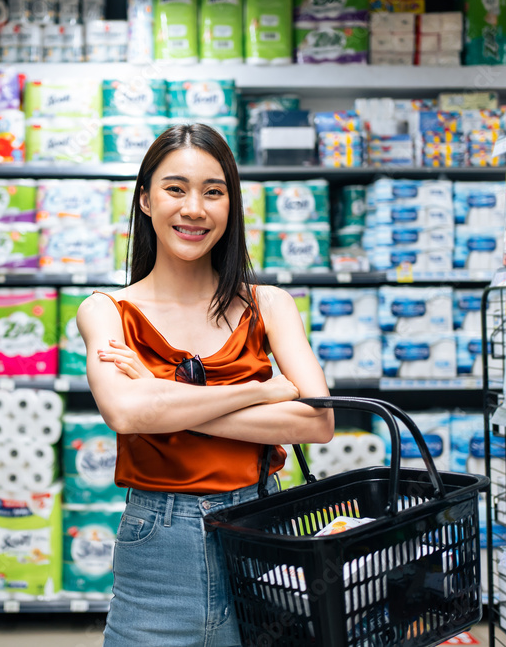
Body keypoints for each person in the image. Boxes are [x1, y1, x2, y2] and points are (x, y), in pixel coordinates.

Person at [76, 123, 335, 646]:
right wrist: (262, 390)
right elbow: (126, 415)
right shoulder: (105, 311)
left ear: (230, 206)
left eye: (213, 192)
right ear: (146, 200)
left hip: (264, 533)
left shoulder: (270, 304)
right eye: (176, 188)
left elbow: (318, 421)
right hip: (158, 549)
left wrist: (161, 395)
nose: (194, 208)